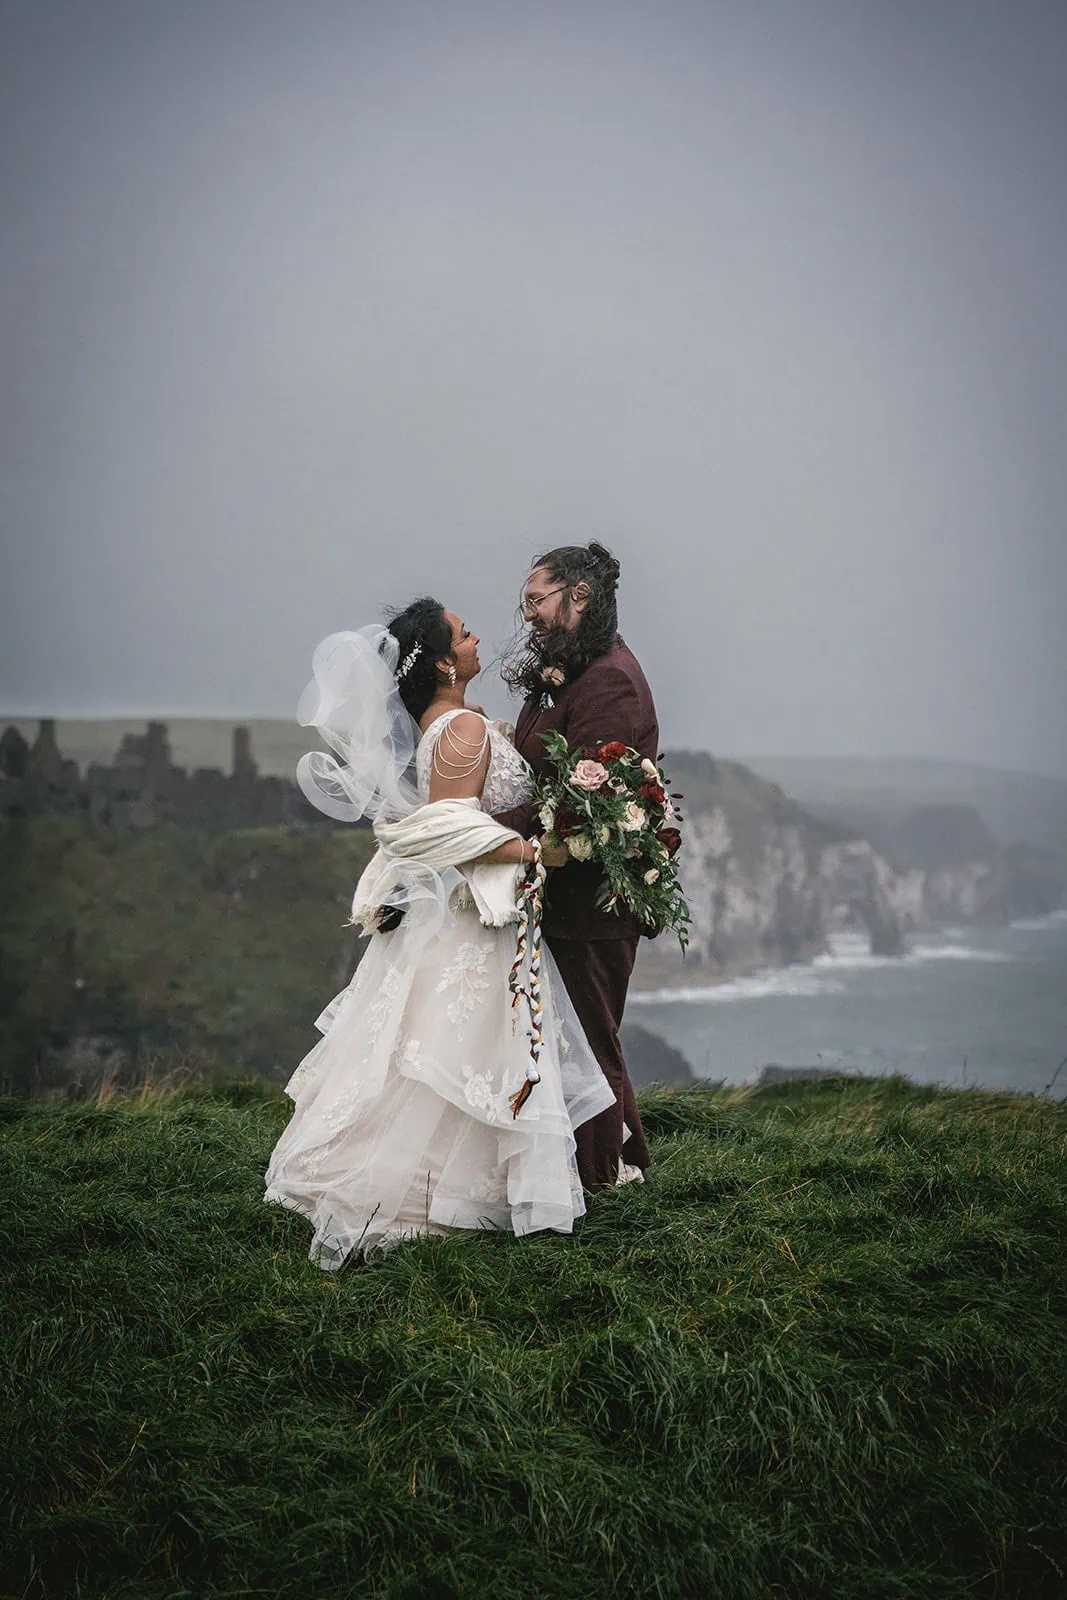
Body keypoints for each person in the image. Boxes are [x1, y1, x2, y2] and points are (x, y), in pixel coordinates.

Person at [263, 598, 619, 1269]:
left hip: (471, 918)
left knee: (459, 1056)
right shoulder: (460, 730)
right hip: (470, 925)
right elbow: (449, 835)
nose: (477, 634)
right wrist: (548, 853)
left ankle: (462, 1192)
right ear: (441, 661)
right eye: (463, 632)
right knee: (454, 1057)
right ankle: (429, 1201)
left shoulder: (455, 723)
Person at [494, 542, 658, 1192]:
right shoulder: (572, 667)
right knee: (579, 1037)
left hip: (593, 900)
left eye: (536, 599)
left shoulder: (609, 679)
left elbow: (577, 804)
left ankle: (594, 1186)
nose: (527, 613)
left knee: (587, 1043)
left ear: (578, 596)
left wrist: (472, 830)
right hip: (560, 889)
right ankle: (624, 1165)